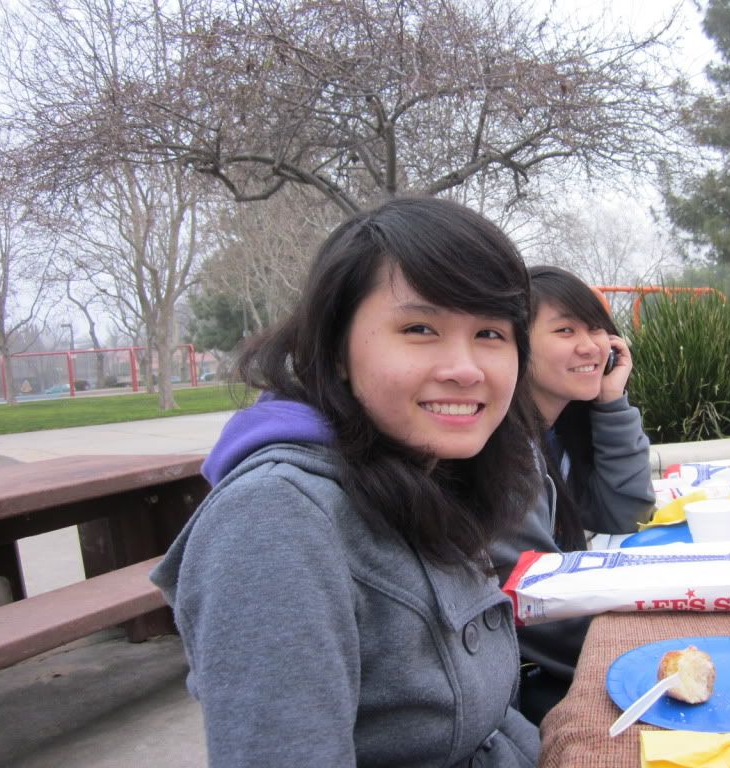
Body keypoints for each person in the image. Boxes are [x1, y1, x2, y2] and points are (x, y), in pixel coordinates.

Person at [151, 197, 542, 767]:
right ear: (336, 350)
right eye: (420, 328)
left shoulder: (430, 468)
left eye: (489, 333)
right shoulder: (274, 520)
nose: (465, 368)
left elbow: (487, 715)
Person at [489, 265, 655, 725]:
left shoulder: (559, 432)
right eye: (565, 331)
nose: (590, 346)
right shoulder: (501, 451)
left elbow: (625, 515)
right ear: (514, 345)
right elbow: (533, 598)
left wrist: (611, 402)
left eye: (597, 329)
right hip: (522, 686)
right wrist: (648, 647)